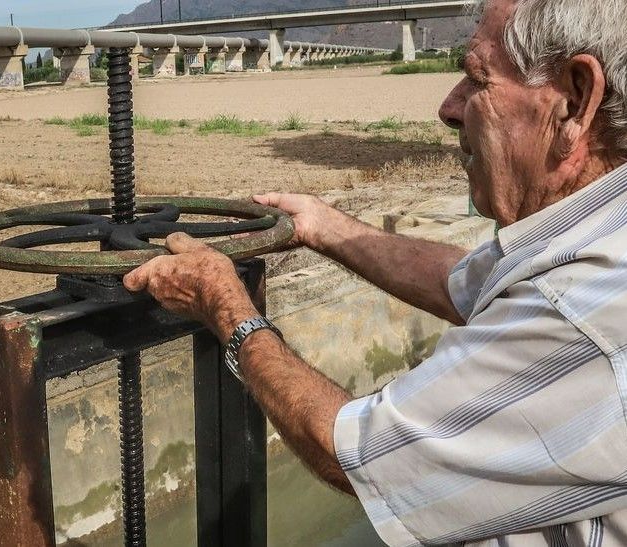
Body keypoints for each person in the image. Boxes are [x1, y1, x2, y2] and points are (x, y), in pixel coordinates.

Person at [123, 0, 627, 544]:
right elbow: (461, 282)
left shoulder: (577, 312)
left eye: (476, 79)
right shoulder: (596, 229)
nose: (449, 107)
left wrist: (226, 306)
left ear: (575, 100)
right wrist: (322, 226)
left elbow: (351, 454)